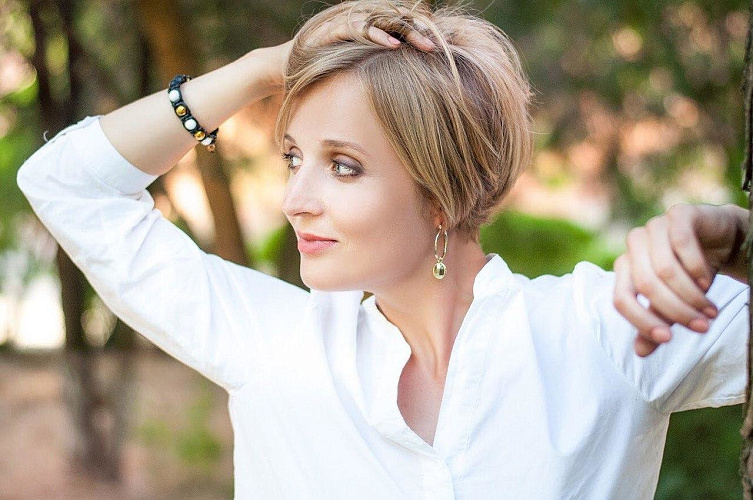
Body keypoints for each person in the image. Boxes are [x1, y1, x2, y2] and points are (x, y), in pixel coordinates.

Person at [15, 0, 749, 498]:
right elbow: (65, 186)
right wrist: (262, 68)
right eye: (293, 157)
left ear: (442, 193)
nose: (294, 199)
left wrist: (736, 238)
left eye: (343, 166)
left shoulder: (607, 331)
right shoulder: (272, 345)